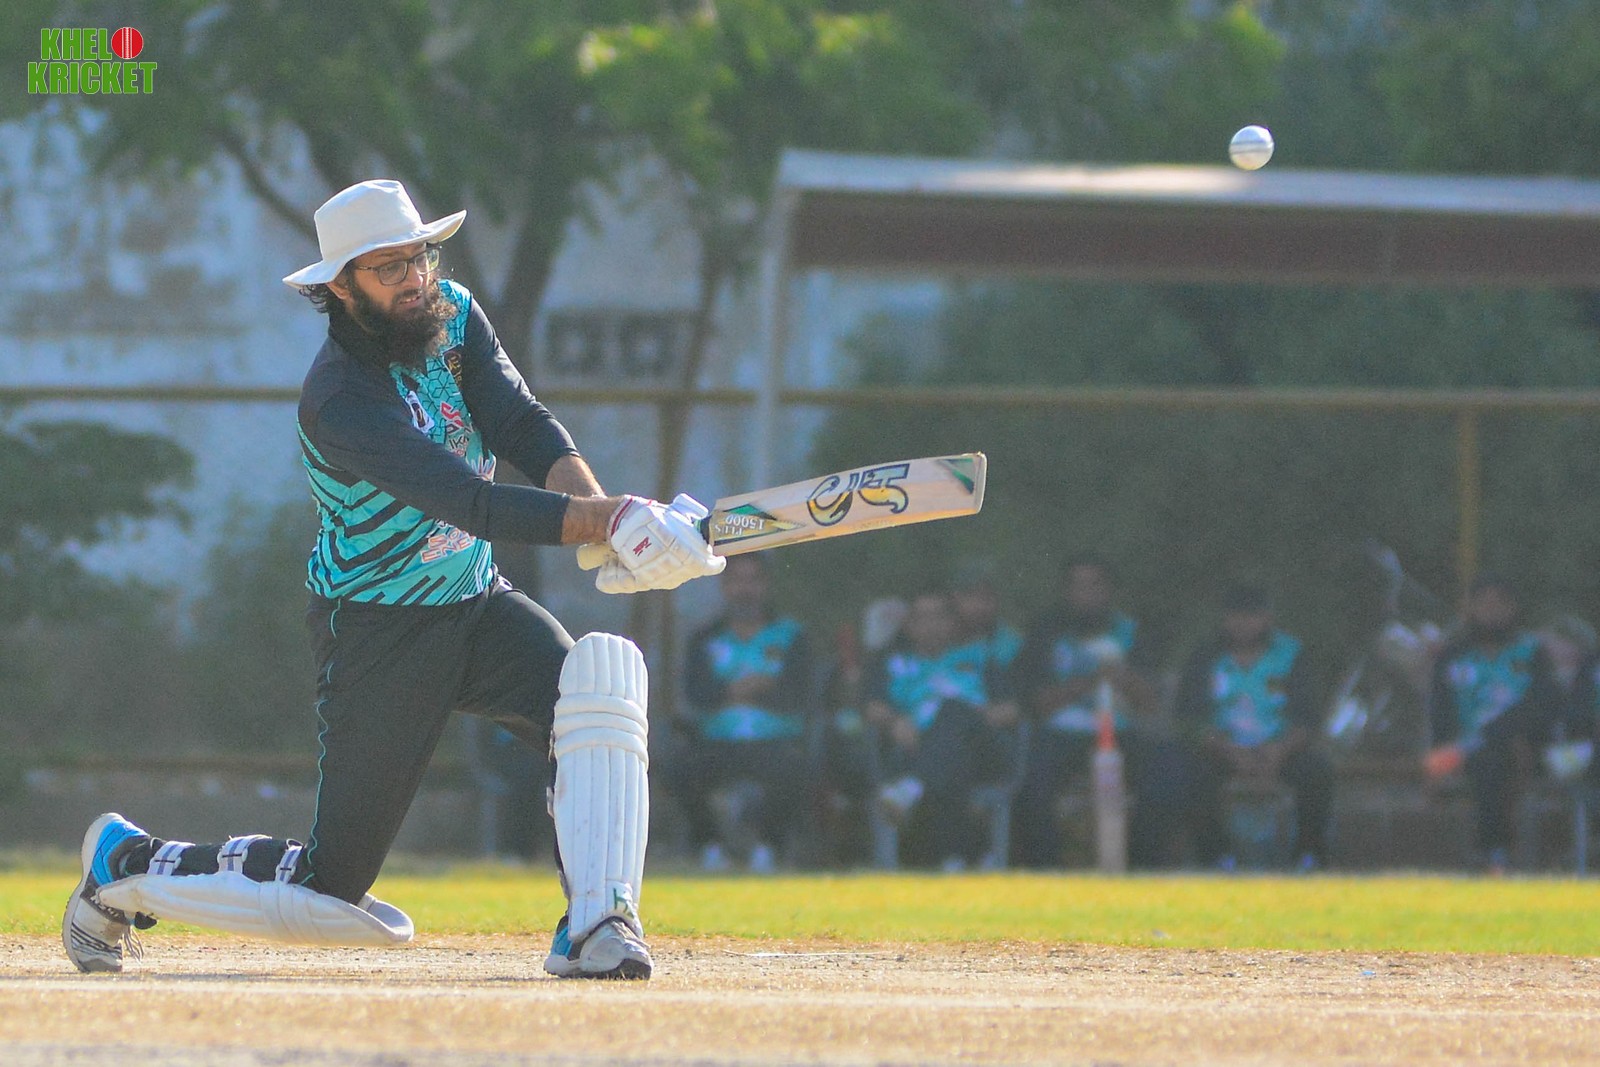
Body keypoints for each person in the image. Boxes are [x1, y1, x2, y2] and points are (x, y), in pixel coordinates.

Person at [61, 179, 725, 979]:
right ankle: (123, 861)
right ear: (340, 287)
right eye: (389, 268)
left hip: (475, 601)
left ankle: (598, 924)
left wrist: (603, 520)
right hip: (378, 631)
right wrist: (612, 520)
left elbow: (521, 422)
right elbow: (469, 501)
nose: (415, 279)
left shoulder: (453, 314)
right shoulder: (340, 398)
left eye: (420, 256)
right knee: (329, 890)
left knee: (596, 693)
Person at [1008, 556, 1176, 868]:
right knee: (1031, 784)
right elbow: (1034, 703)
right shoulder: (1046, 632)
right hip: (1059, 735)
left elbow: (1151, 704)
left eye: (1094, 585)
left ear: (1109, 590)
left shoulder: (1132, 632)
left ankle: (1143, 868)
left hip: (1121, 733)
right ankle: (1044, 871)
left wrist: (1123, 677)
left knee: (1164, 774)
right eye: (1078, 586)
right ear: (1066, 591)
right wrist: (1087, 683)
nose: (1087, 594)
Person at [1172, 583, 1333, 871]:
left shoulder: (1292, 654)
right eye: (1236, 615)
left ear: (1267, 618)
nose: (1243, 624)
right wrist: (1228, 751)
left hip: (1279, 749)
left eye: (1252, 615)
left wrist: (1279, 751)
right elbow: (1188, 719)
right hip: (1221, 749)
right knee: (1189, 772)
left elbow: (1308, 718)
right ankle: (1216, 858)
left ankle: (1308, 856)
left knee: (1317, 771)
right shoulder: (1205, 656)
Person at [672, 554, 817, 872]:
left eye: (753, 580)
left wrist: (759, 691)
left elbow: (800, 693)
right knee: (679, 768)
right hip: (717, 741)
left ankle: (769, 848)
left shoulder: (791, 636)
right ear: (725, 586)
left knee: (796, 770)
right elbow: (695, 693)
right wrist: (737, 690)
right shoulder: (705, 638)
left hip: (776, 740)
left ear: (766, 585)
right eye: (738, 581)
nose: (745, 590)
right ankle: (710, 847)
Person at [862, 589, 1018, 869]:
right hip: (916, 749)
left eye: (939, 616)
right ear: (909, 625)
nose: (931, 625)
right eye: (922, 617)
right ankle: (958, 857)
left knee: (953, 710)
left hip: (981, 750)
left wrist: (973, 719)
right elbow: (871, 706)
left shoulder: (979, 657)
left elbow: (1012, 710)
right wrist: (895, 721)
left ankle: (913, 786)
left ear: (953, 622)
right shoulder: (893, 663)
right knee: (948, 763)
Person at [1424, 573, 1562, 873]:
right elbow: (1440, 711)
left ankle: (1493, 852)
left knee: (1495, 755)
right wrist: (1439, 753)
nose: (1492, 611)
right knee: (1486, 760)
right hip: (1465, 750)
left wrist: (1514, 734)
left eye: (1500, 603)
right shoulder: (1453, 655)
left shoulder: (1532, 653)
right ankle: (1492, 852)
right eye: (1484, 603)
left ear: (1513, 608)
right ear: (1471, 607)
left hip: (1524, 746)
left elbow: (1546, 705)